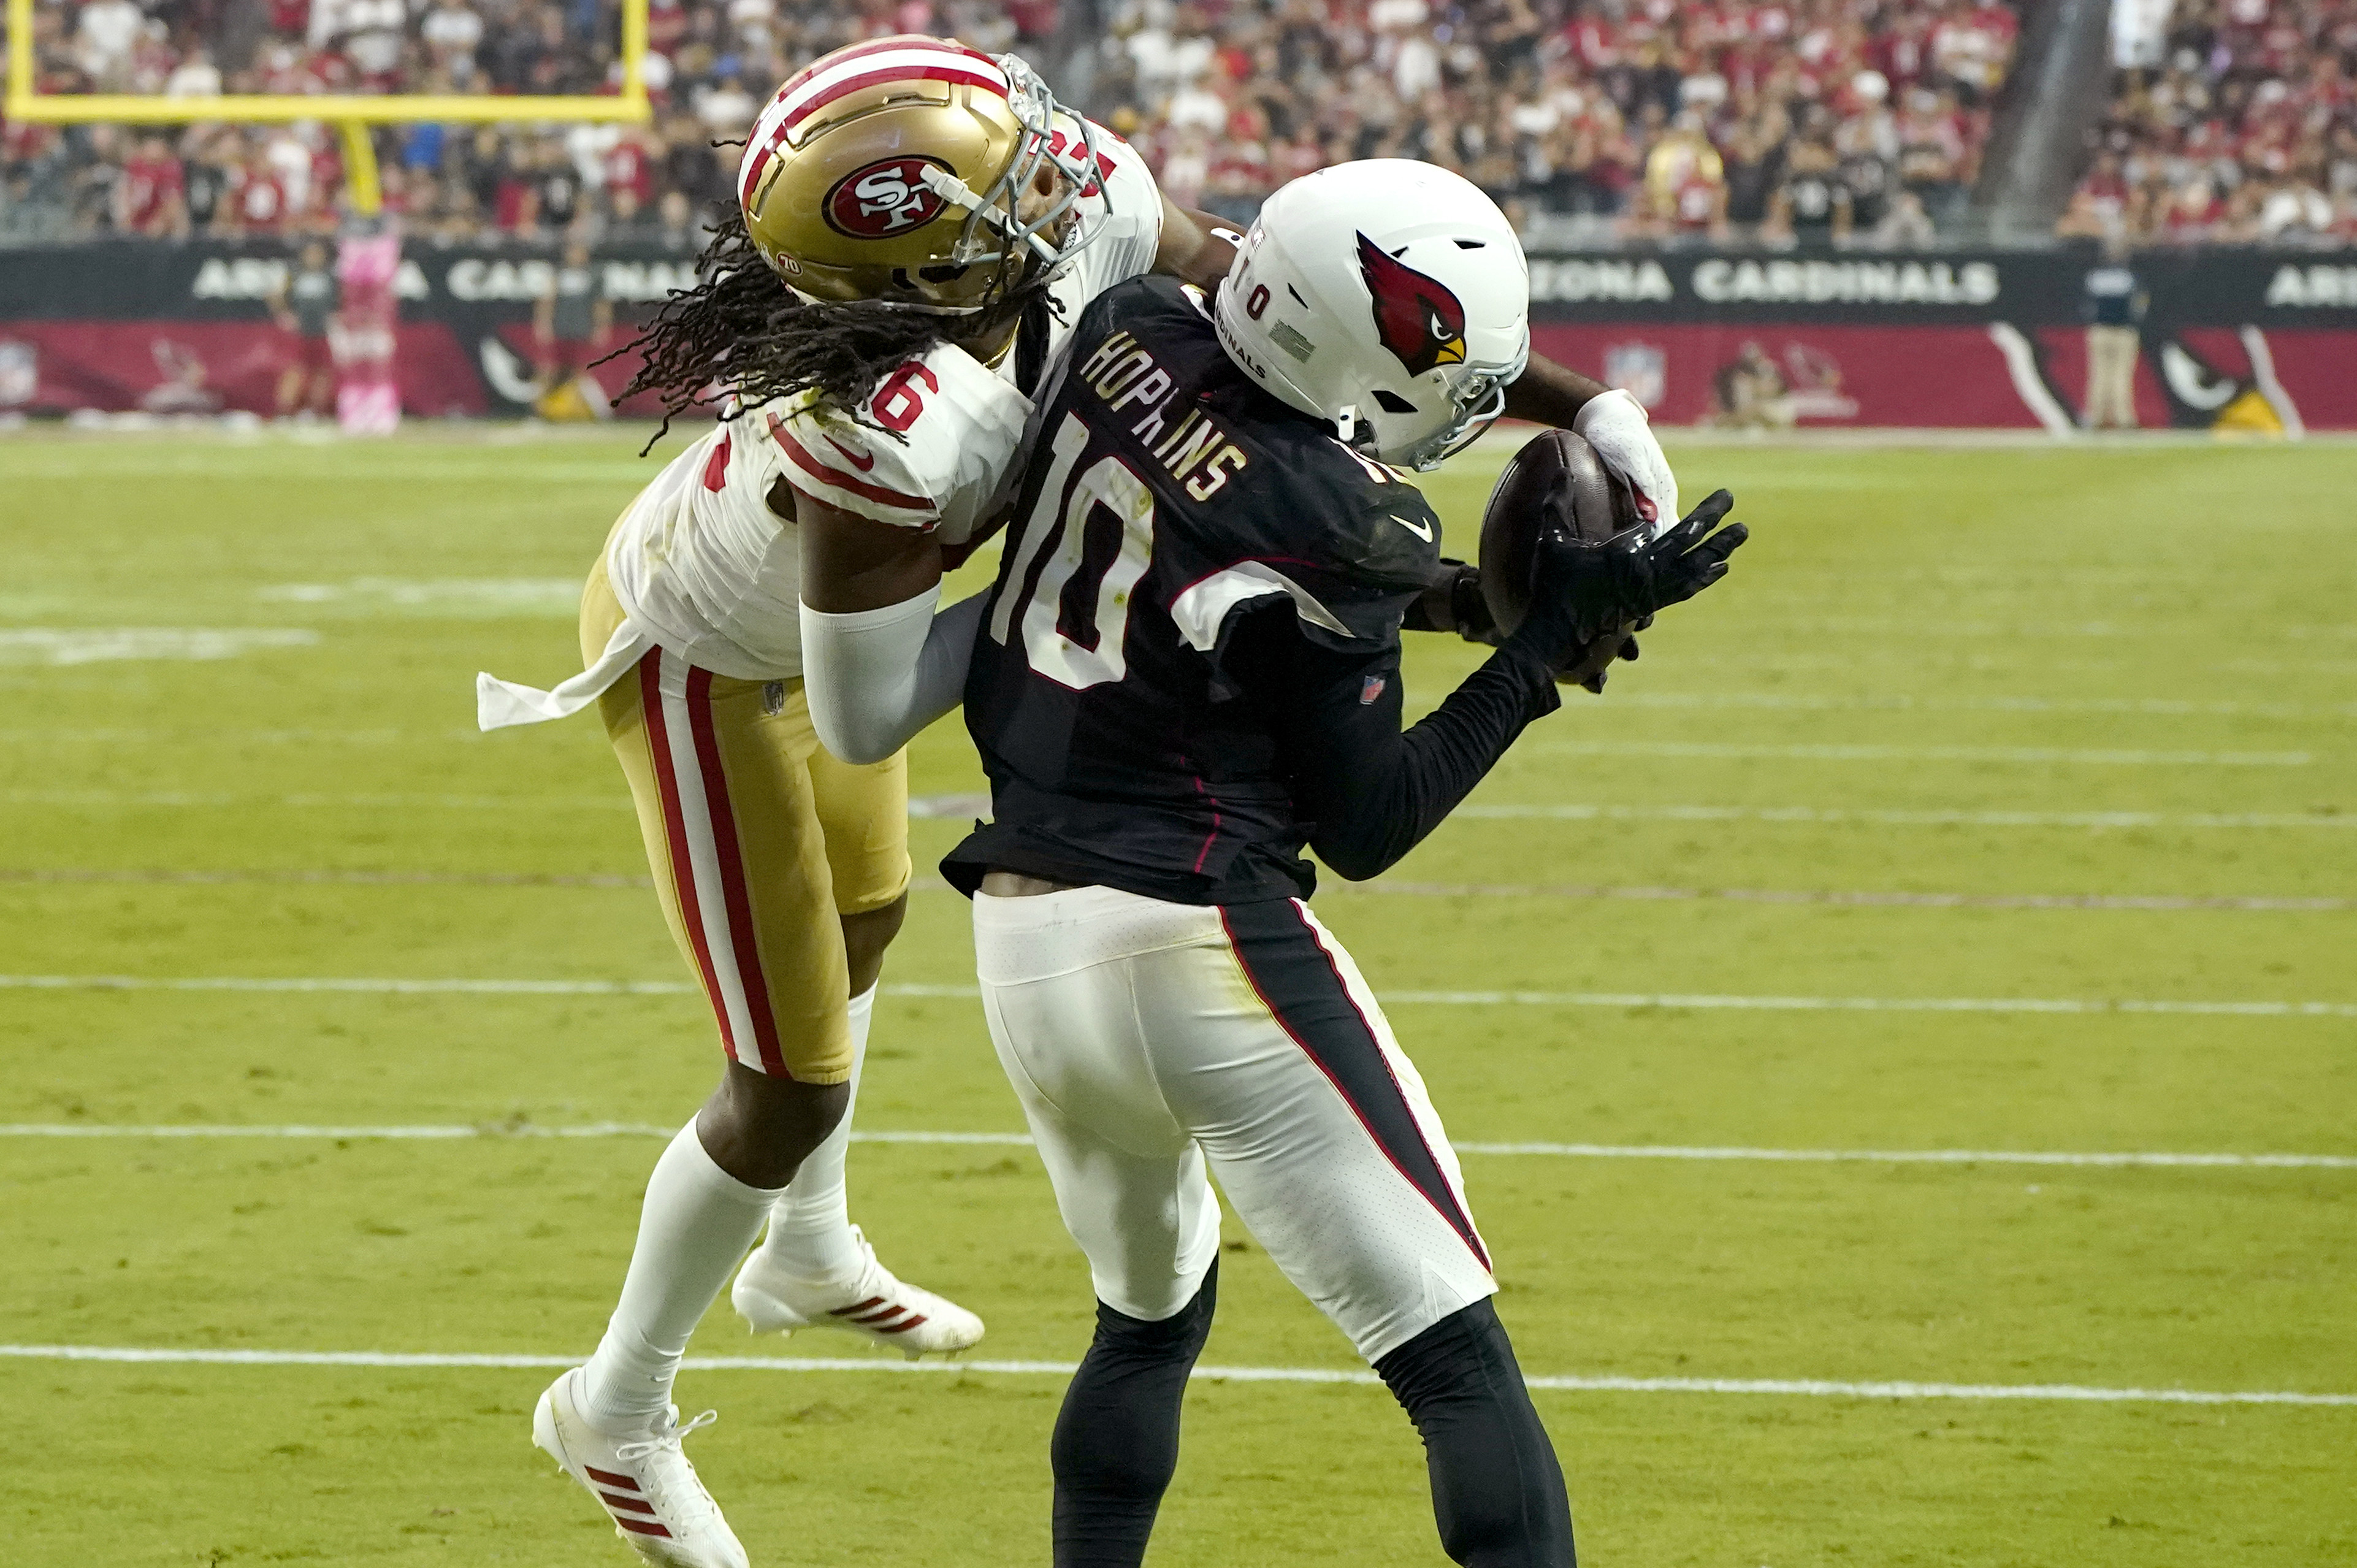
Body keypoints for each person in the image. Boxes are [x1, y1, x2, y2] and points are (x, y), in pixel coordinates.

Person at [862, 160, 1746, 1566]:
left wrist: (1572, 432)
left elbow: (1233, 599)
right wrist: (1534, 653)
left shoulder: (1129, 327)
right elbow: (1369, 822)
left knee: (1149, 1314)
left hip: (1027, 944)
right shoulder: (1351, 511)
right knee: (1455, 1366)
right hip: (1197, 940)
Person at [475, 37, 1240, 1567]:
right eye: (991, 179)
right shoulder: (876, 425)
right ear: (931, 264)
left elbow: (1226, 283)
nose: (1049, 172)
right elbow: (867, 695)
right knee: (788, 1083)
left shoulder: (1040, 217)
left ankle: (806, 1255)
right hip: (708, 660)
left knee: (875, 910)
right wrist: (1088, 595)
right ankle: (614, 1412)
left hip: (830, 631)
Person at [2080, 234, 2145, 430]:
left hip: (2100, 329)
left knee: (2098, 375)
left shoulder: (2094, 276)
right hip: (2124, 331)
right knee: (2121, 376)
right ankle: (2123, 418)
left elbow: (2085, 305)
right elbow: (2139, 305)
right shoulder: (2129, 277)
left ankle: (2095, 418)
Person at [272, 239, 340, 419]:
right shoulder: (294, 274)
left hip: (322, 332)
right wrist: (284, 314)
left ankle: (316, 410)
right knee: (295, 370)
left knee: (322, 373)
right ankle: (284, 411)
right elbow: (275, 294)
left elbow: (341, 299)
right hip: (300, 333)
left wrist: (336, 316)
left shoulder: (330, 276)